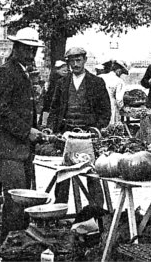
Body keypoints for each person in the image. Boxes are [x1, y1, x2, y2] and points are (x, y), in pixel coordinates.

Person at [0, 27, 44, 240]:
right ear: (16, 48)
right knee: (16, 198)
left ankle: (18, 243)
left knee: (23, 196)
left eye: (34, 50)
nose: (31, 55)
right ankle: (11, 245)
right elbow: (0, 112)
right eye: (27, 50)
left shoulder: (22, 72)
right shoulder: (6, 72)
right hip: (9, 146)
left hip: (20, 146)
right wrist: (27, 131)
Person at [48, 47, 111, 207]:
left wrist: (96, 129)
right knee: (63, 175)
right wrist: (51, 129)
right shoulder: (62, 83)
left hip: (88, 136)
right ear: (68, 62)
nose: (75, 64)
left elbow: (105, 111)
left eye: (78, 60)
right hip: (67, 135)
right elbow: (54, 109)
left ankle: (97, 212)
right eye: (72, 61)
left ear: (85, 60)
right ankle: (59, 211)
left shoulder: (96, 82)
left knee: (92, 175)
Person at [98, 60, 128, 124]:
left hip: (99, 105)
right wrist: (122, 108)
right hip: (111, 105)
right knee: (112, 125)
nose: (121, 74)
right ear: (119, 70)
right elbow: (119, 99)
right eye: (121, 72)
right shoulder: (119, 81)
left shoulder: (100, 77)